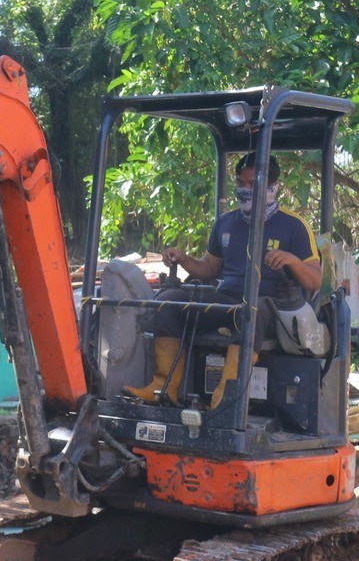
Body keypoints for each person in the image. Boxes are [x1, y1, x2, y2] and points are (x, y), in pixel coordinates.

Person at [122, 152, 321, 408]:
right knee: (168, 301)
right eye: (240, 183)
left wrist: (292, 260)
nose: (245, 190)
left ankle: (225, 400)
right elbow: (208, 269)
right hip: (227, 301)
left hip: (269, 309)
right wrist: (183, 259)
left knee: (252, 310)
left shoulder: (294, 226)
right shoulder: (225, 223)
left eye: (252, 184)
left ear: (273, 186)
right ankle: (164, 387)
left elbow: (315, 281)